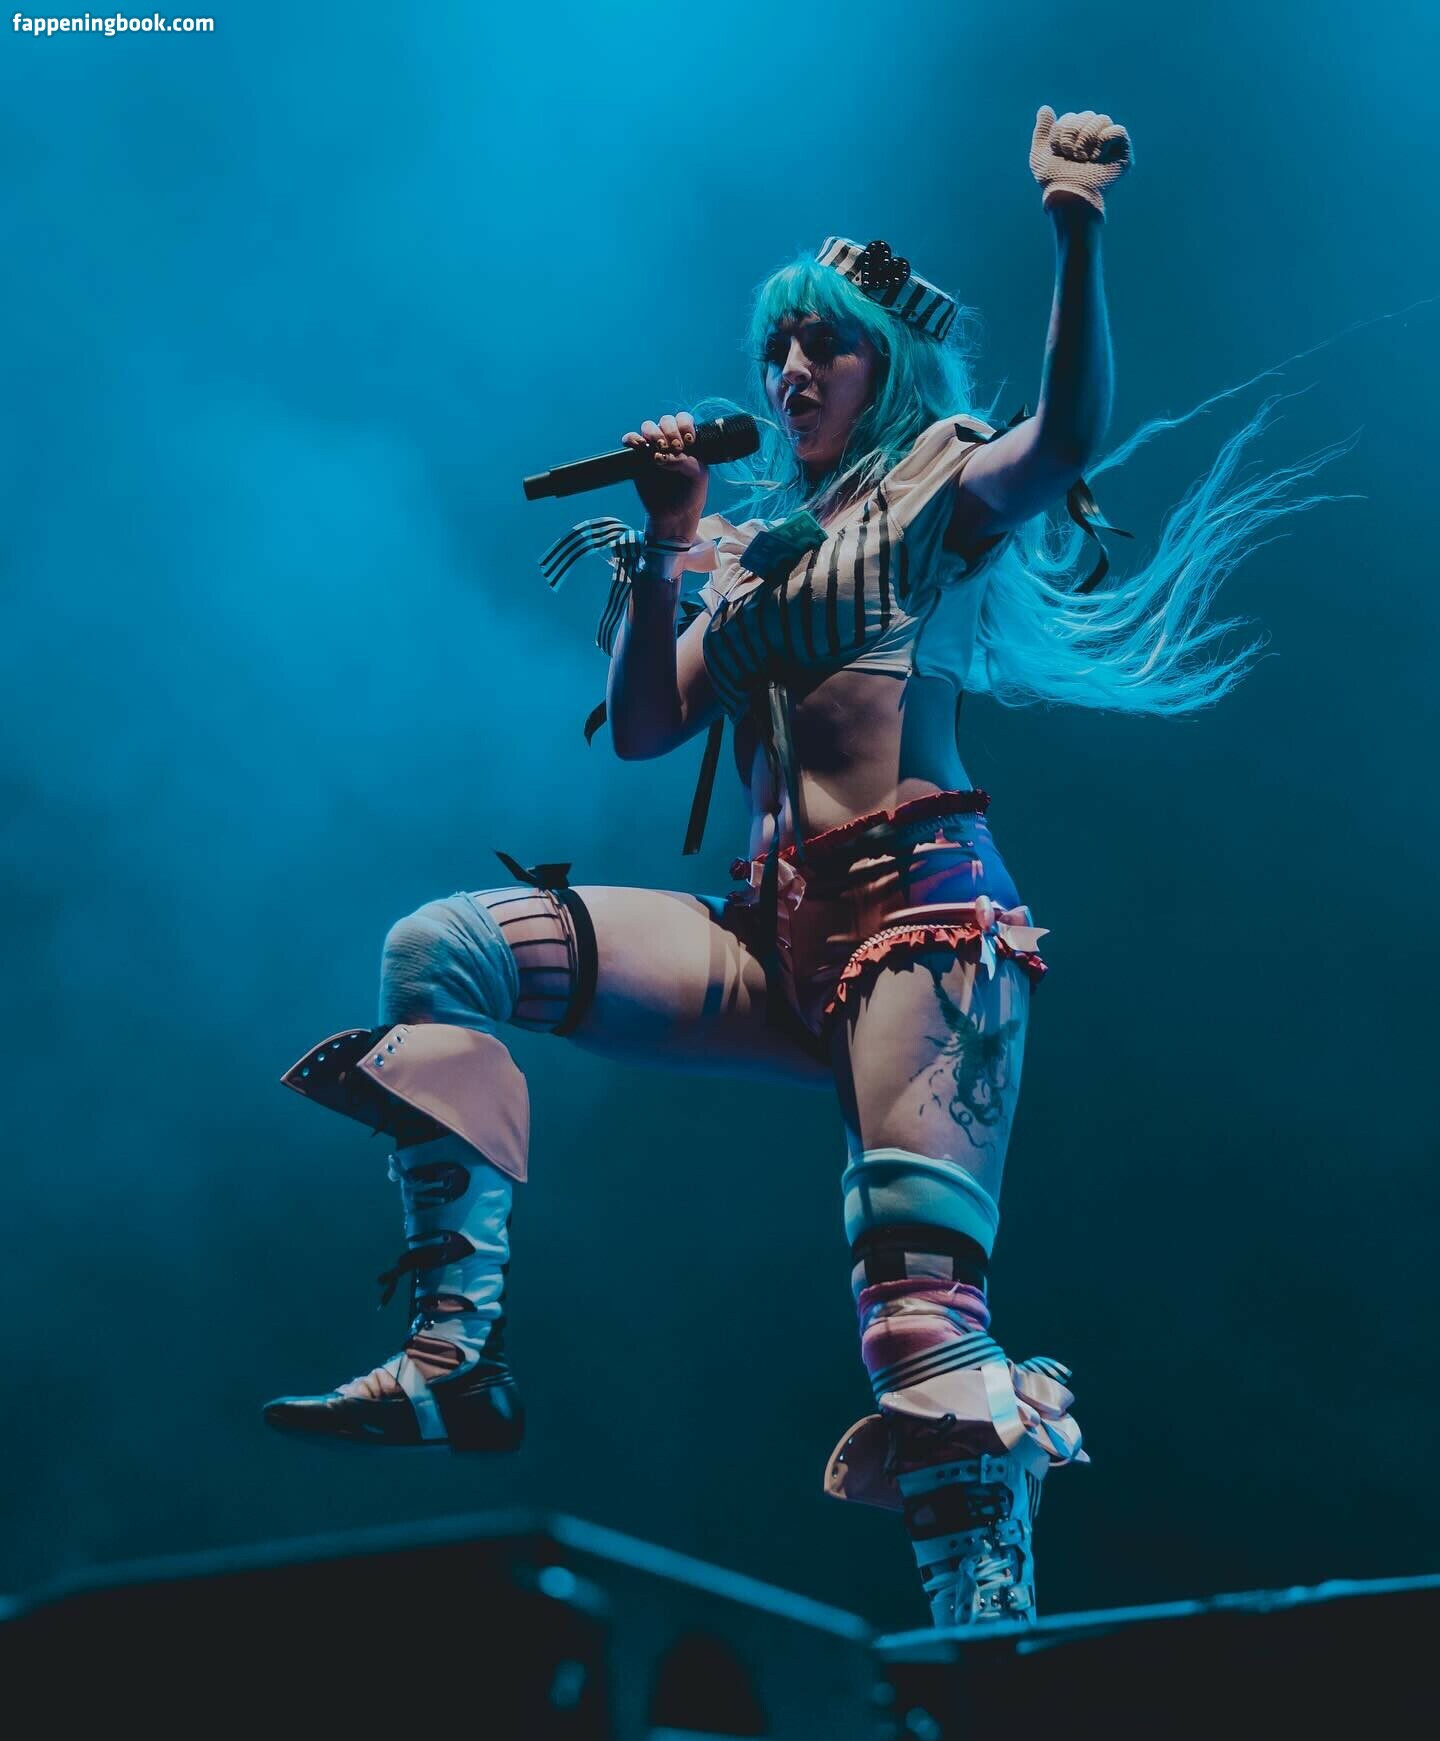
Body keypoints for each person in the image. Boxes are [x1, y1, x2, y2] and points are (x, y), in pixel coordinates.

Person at [264, 108, 1339, 1627]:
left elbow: (1067, 437)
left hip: (922, 923)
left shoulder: (939, 490)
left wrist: (1075, 226)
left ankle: (986, 1642)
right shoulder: (757, 546)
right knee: (447, 950)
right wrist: (670, 537)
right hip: (771, 934)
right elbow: (651, 726)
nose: (790, 371)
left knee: (917, 1330)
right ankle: (457, 1355)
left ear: (882, 364)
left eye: (822, 343)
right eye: (776, 348)